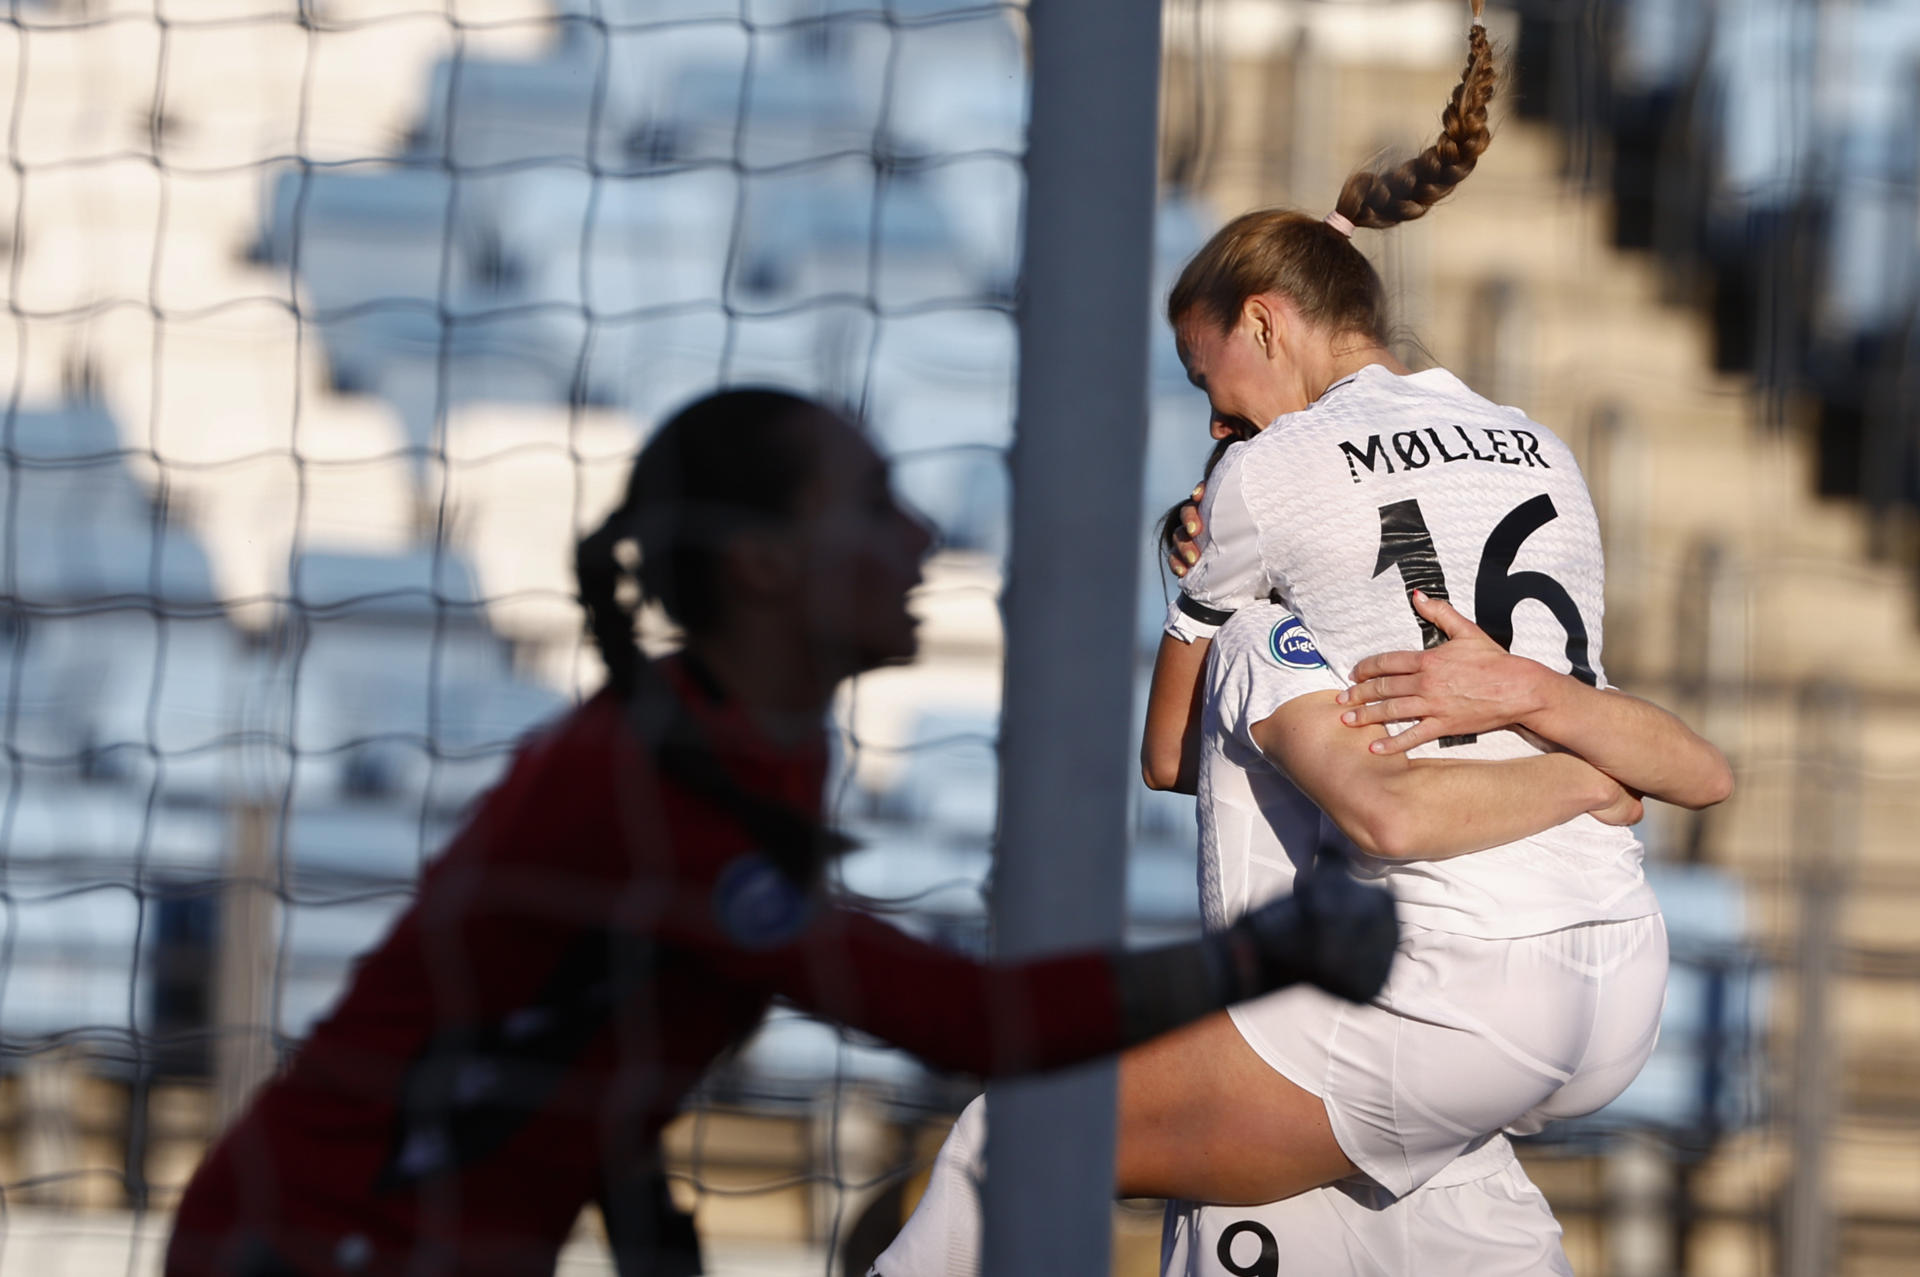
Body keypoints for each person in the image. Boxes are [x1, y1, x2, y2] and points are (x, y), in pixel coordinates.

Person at [162, 388, 1401, 1277]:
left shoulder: (734, 747)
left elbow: (586, 1024)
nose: (921, 537)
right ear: (762, 562)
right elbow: (964, 1021)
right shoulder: (662, 785)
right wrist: (1265, 955)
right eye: (872, 504)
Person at [874, 5, 1732, 1273]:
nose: (1212, 412)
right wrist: (1585, 775)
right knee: (1396, 1220)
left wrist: (1196, 582)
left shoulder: (1268, 472)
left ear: (1267, 324)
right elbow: (1655, 748)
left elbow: (1166, 757)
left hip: (1448, 972)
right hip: (1617, 969)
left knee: (1019, 1138)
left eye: (1207, 373)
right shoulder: (1543, 442)